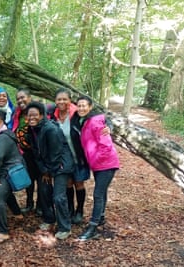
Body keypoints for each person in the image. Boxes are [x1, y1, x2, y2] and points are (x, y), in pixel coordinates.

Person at [49, 88, 112, 224]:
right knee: (68, 184)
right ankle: (71, 210)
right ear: (55, 101)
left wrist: (109, 126)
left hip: (79, 155)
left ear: (70, 100)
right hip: (64, 158)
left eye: (65, 99)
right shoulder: (52, 115)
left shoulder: (76, 113)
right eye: (59, 99)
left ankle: (80, 210)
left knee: (79, 183)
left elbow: (101, 118)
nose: (62, 101)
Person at [71, 96, 120, 241]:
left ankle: (92, 227)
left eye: (84, 105)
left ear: (90, 107)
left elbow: (106, 145)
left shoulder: (94, 121)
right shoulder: (84, 121)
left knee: (98, 194)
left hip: (106, 163)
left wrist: (97, 159)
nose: (81, 108)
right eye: (79, 106)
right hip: (98, 164)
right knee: (102, 192)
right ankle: (101, 218)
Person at [26, 101, 75, 240]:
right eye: (29, 116)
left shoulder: (50, 129)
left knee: (58, 196)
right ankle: (49, 219)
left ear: (42, 115)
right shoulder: (32, 129)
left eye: (35, 115)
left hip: (61, 164)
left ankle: (65, 227)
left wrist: (49, 171)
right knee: (44, 191)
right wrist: (44, 170)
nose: (32, 118)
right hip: (47, 166)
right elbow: (36, 153)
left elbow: (56, 152)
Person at [0, 111, 24, 244]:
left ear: (2, 121)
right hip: (5, 171)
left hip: (7, 172)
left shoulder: (3, 137)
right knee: (6, 194)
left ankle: (3, 232)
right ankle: (18, 214)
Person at [11, 89, 41, 215]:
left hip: (38, 152)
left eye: (22, 97)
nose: (20, 101)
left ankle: (40, 206)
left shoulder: (38, 110)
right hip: (25, 152)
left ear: (29, 97)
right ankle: (29, 204)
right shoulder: (18, 113)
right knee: (29, 179)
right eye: (18, 99)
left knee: (41, 180)